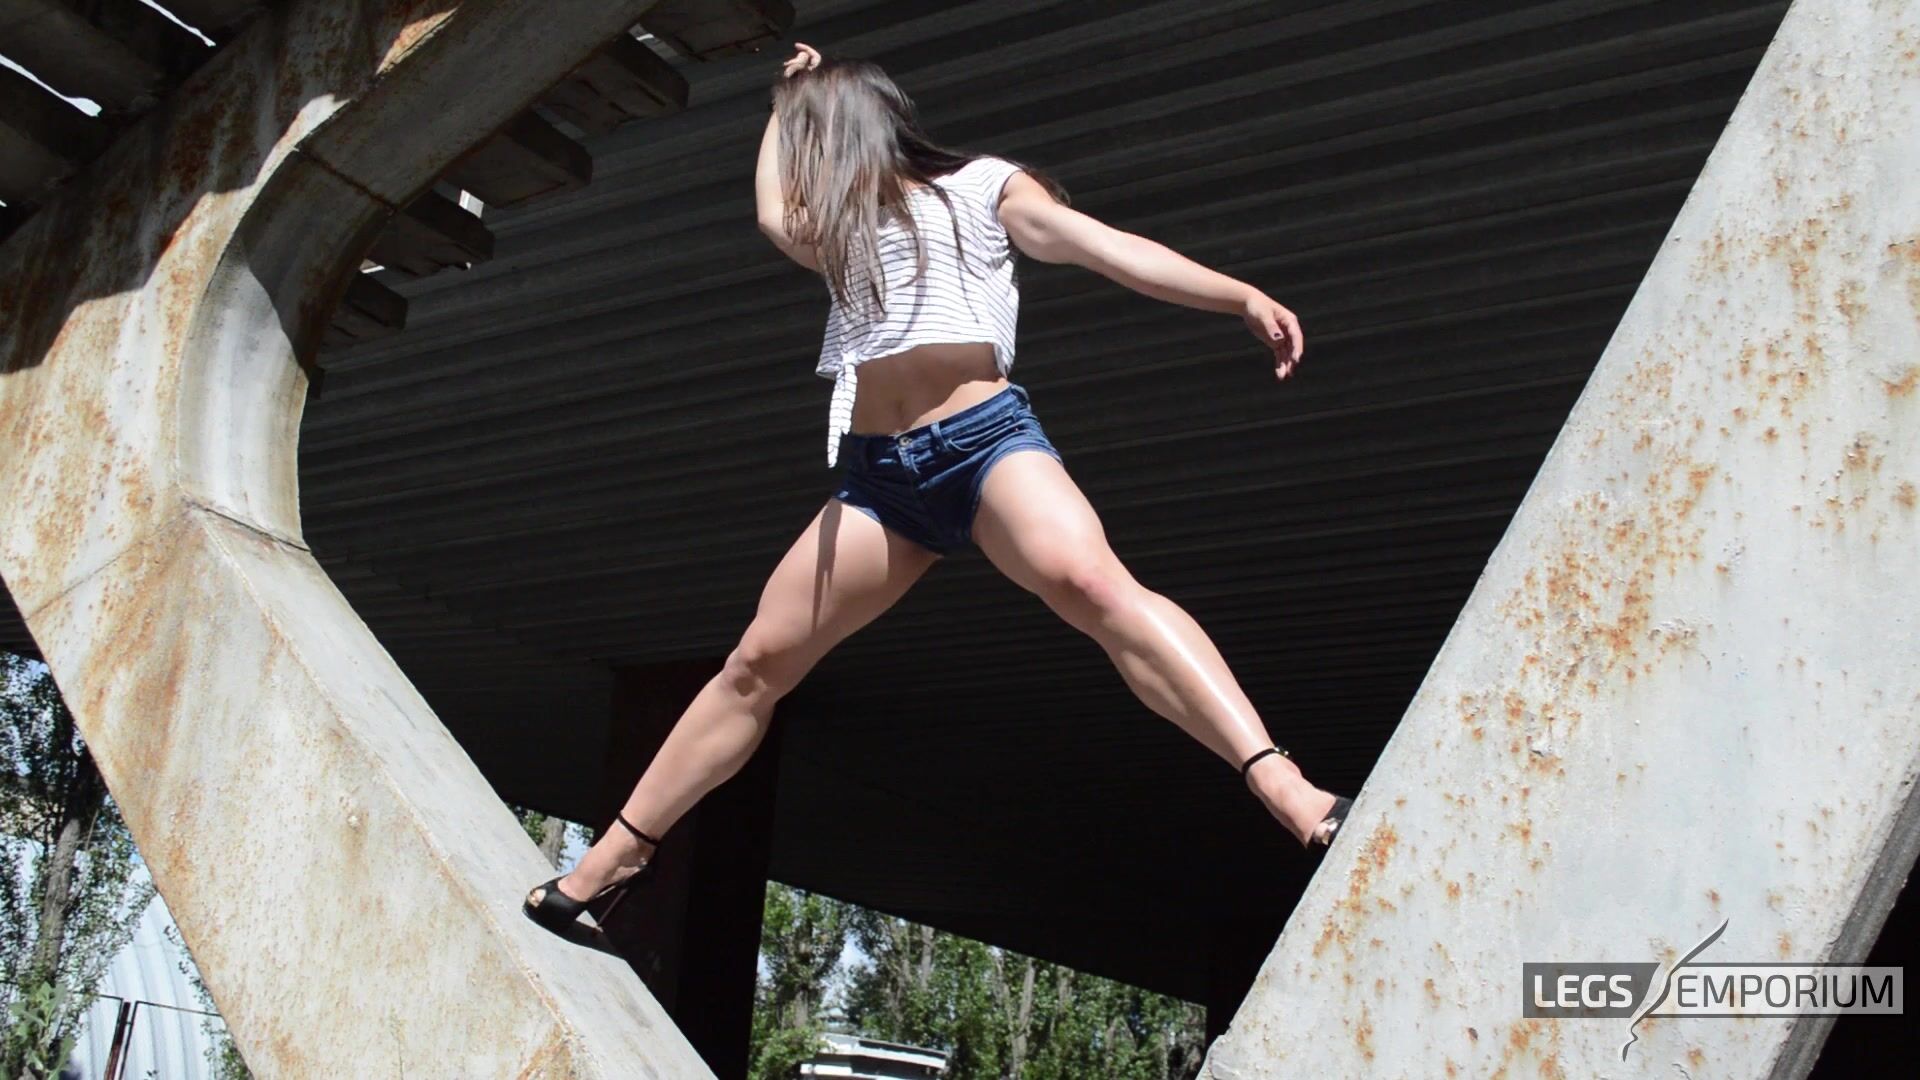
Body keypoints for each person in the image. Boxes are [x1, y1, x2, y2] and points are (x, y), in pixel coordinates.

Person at [525, 43, 1351, 939]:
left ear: (854, 131)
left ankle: (1284, 784)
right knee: (756, 664)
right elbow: (771, 213)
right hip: (879, 481)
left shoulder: (982, 188)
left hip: (985, 446)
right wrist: (779, 102)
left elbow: (1104, 247)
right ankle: (616, 859)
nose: (803, 160)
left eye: (810, 138)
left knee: (1094, 585)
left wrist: (1237, 296)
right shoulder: (838, 232)